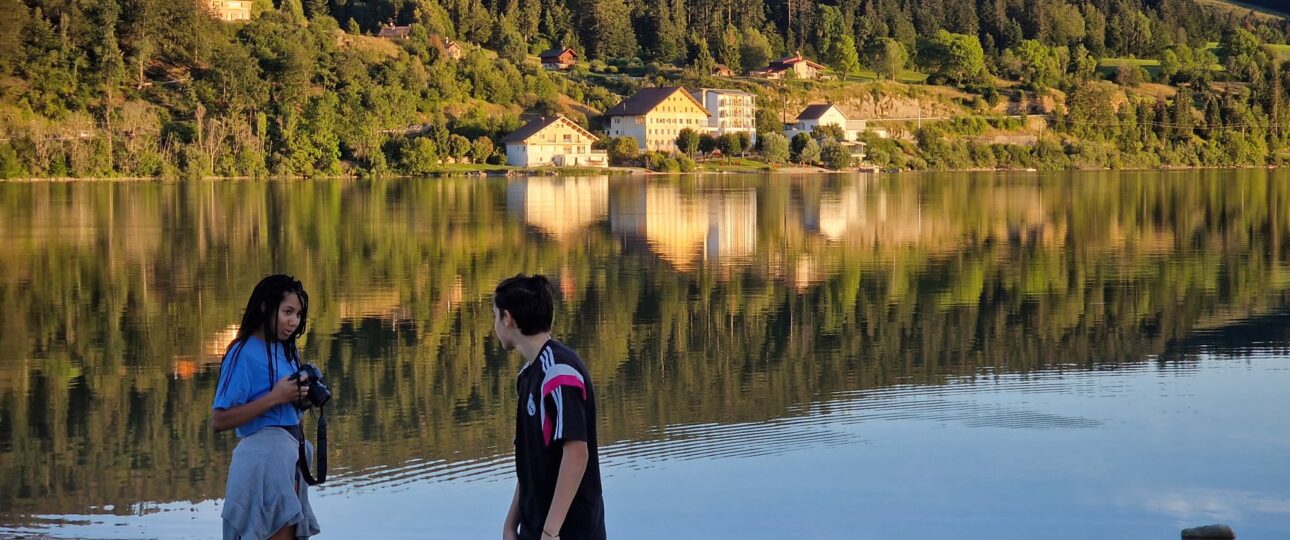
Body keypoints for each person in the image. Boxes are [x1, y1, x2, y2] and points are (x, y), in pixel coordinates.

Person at [495, 274, 606, 540]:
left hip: (568, 534)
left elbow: (577, 455)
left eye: (494, 315)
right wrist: (510, 525)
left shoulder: (559, 373)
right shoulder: (528, 376)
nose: (494, 325)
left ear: (508, 318)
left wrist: (550, 531)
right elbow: (530, 464)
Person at [212, 274, 321, 540]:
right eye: (287, 312)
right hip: (263, 462)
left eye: (297, 314)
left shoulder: (287, 350)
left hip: (289, 458)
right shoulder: (243, 353)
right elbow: (220, 420)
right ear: (265, 307)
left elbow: (284, 405)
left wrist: (301, 400)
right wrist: (275, 397)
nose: (293, 321)